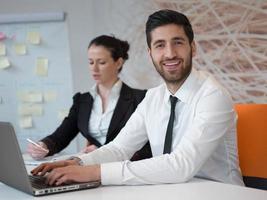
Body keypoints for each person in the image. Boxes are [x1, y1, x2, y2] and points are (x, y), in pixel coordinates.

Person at [31, 9, 244, 187]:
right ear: (150, 53)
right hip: (171, 191)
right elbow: (120, 148)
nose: (170, 53)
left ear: (193, 48)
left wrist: (96, 172)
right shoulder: (153, 97)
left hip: (221, 193)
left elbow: (181, 165)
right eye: (160, 45)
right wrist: (77, 162)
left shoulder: (213, 96)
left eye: (178, 42)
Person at [27, 35, 151, 161]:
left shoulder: (141, 98)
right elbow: (61, 136)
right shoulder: (82, 101)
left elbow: (150, 146)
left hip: (122, 170)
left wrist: (103, 153)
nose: (94, 68)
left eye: (101, 62)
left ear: (118, 63)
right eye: (91, 62)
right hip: (90, 168)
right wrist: (43, 146)